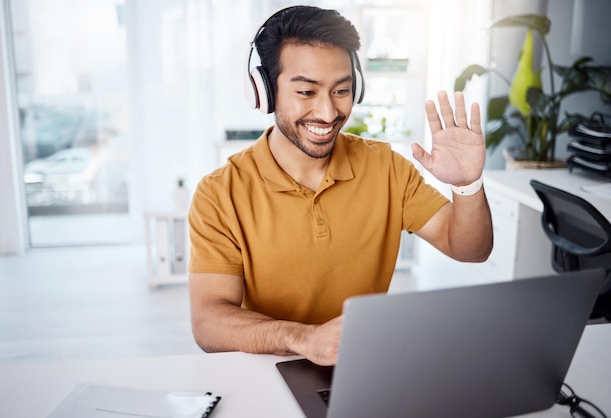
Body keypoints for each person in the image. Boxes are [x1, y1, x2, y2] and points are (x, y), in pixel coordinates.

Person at [188, 5, 493, 366]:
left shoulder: (387, 168)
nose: (329, 112)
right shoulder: (220, 193)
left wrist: (467, 185)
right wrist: (304, 339)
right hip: (268, 367)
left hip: (362, 365)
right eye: (306, 92)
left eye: (342, 90)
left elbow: (470, 249)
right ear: (264, 91)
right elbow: (208, 323)